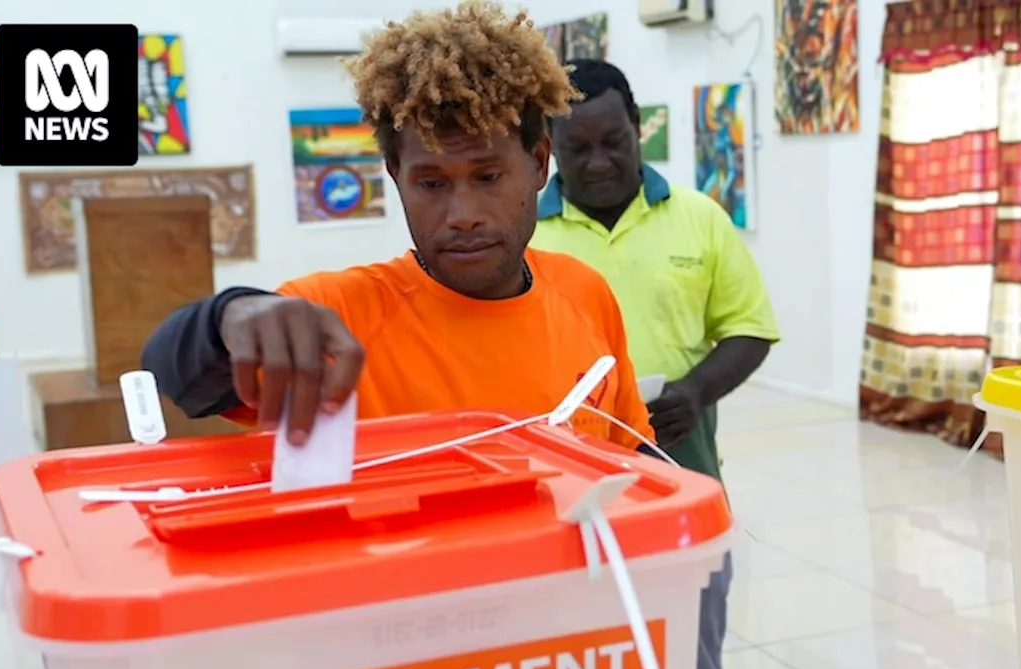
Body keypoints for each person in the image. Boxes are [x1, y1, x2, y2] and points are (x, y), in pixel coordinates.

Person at [141, 3, 654, 461]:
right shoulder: (337, 320)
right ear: (395, 177)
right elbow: (175, 374)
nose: (463, 214)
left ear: (540, 163)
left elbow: (632, 454)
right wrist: (226, 315)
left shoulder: (584, 294)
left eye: (488, 176)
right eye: (431, 182)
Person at [531, 59, 780, 669]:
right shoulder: (520, 234)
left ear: (640, 130)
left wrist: (695, 393)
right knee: (577, 665)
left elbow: (750, 329)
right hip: (560, 492)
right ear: (546, 149)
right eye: (575, 148)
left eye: (614, 141)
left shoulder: (698, 218)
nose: (598, 161)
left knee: (691, 654)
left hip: (683, 474)